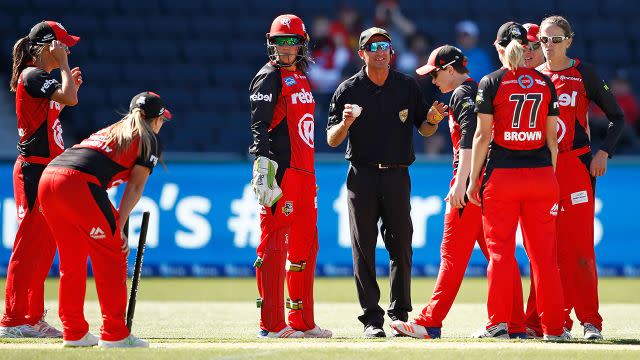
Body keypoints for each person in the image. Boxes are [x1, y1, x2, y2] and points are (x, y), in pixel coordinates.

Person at [389, 45, 526, 339]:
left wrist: (462, 183)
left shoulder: (462, 93)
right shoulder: (479, 90)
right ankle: (513, 323)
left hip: (470, 185)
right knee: (499, 256)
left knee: (452, 255)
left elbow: (469, 139)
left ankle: (430, 321)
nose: (433, 80)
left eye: (436, 74)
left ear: (450, 70)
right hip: (491, 182)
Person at [326, 27, 446, 338]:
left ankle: (399, 316)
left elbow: (424, 129)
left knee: (401, 244)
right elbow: (332, 138)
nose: (381, 51)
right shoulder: (348, 89)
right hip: (361, 176)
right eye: (373, 46)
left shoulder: (406, 86)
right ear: (361, 53)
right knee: (363, 248)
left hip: (396, 175)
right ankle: (371, 320)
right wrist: (346, 122)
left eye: (385, 46)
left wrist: (432, 119)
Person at [38, 91, 169, 348]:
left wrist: (113, 224)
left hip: (50, 177)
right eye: (163, 120)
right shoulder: (148, 139)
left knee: (72, 259)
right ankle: (114, 333)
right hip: (76, 183)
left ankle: (74, 331)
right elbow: (134, 188)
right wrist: (117, 227)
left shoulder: (114, 129)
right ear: (156, 119)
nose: (162, 125)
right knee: (113, 253)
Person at [524, 15, 625, 340]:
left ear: (569, 40)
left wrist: (603, 152)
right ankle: (550, 321)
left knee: (581, 250)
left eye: (556, 40)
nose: (549, 46)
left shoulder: (585, 74)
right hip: (542, 170)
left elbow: (616, 117)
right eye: (544, 41)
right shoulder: (533, 78)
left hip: (576, 168)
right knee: (546, 253)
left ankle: (590, 322)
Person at [466, 21, 568, 340]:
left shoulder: (491, 82)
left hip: (502, 179)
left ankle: (498, 323)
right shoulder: (545, 83)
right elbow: (552, 140)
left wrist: (472, 180)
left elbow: (482, 136)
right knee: (544, 259)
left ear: (498, 48)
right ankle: (552, 328)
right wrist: (550, 177)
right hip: (541, 177)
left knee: (500, 254)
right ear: (527, 47)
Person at [249, 14, 332, 339]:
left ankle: (302, 321)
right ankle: (270, 324)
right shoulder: (268, 77)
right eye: (280, 42)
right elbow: (259, 126)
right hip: (281, 172)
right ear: (272, 44)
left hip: (305, 173)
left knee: (306, 246)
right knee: (274, 243)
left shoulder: (301, 76)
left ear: (301, 44)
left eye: (291, 42)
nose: (285, 49)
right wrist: (263, 166)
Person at [0, 21, 81, 338]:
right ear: (48, 46)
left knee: (43, 247)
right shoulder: (32, 75)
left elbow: (53, 109)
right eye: (64, 45)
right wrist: (64, 67)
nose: (68, 50)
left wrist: (65, 82)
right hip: (35, 170)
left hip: (46, 170)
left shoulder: (39, 79)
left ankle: (31, 316)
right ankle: (14, 319)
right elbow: (70, 99)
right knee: (29, 246)